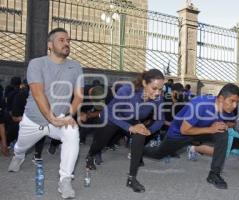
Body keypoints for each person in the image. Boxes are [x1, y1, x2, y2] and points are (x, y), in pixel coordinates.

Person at [7, 28, 84, 199]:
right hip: (34, 120)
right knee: (21, 146)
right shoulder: (37, 63)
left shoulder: (76, 66)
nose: (66, 43)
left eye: (68, 40)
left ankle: (65, 180)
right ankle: (18, 156)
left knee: (72, 132)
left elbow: (79, 95)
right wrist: (50, 118)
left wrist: (69, 115)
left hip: (59, 119)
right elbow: (37, 92)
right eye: (62, 40)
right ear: (50, 45)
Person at [144, 83, 239, 189]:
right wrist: (211, 128)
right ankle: (138, 148)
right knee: (158, 154)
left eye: (237, 102)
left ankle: (214, 174)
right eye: (232, 101)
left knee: (222, 133)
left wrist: (225, 124)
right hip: (180, 134)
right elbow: (184, 130)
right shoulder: (200, 104)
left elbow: (233, 122)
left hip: (201, 132)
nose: (235, 105)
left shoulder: (227, 109)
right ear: (221, 98)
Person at [86, 69, 165, 193]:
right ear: (144, 83)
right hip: (112, 118)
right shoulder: (127, 91)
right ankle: (90, 155)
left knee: (141, 133)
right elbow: (110, 112)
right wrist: (130, 128)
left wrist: (148, 131)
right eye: (154, 88)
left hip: (131, 120)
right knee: (100, 143)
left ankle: (131, 178)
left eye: (160, 89)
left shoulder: (158, 98)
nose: (157, 93)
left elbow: (160, 120)